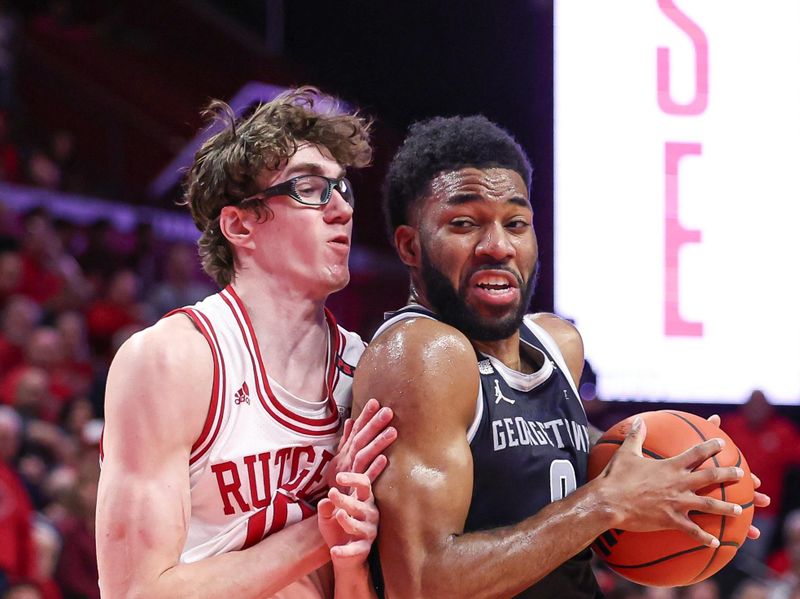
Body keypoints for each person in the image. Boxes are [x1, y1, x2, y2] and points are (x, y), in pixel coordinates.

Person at [353, 115, 767, 597]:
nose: (498, 247)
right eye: (464, 224)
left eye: (516, 223)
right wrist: (604, 504)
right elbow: (420, 583)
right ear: (409, 246)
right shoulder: (423, 354)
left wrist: (698, 481)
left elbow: (548, 462)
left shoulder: (557, 343)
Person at [96, 87, 397, 598]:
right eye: (309, 188)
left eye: (343, 189)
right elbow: (135, 593)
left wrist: (349, 557)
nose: (341, 210)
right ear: (239, 224)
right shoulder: (175, 361)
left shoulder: (367, 370)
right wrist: (320, 531)